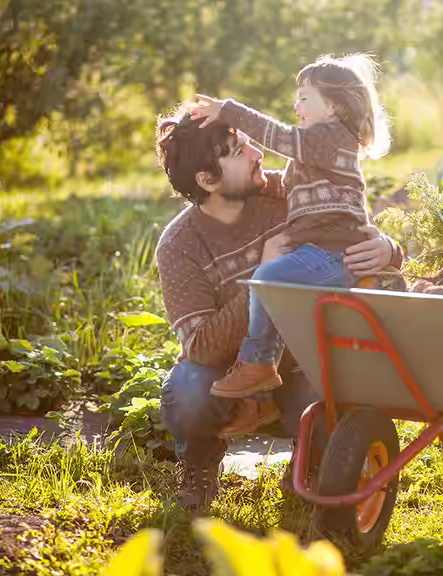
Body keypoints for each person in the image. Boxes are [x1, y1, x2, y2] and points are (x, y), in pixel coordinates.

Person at [154, 102, 402, 508]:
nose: (259, 154)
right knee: (186, 390)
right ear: (207, 179)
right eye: (240, 151)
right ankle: (198, 466)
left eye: (252, 143)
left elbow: (359, 238)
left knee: (343, 392)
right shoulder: (180, 246)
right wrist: (265, 277)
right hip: (231, 373)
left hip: (306, 360)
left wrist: (387, 249)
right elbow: (198, 346)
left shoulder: (288, 193)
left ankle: (309, 465)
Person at [187, 53, 391, 408]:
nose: (295, 104)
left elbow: (280, 137)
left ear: (332, 107)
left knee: (269, 278)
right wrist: (236, 179)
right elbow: (286, 184)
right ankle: (261, 377)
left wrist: (230, 111)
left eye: (304, 97)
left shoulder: (331, 136)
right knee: (273, 281)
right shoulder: (313, 154)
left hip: (334, 250)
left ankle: (258, 361)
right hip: (321, 249)